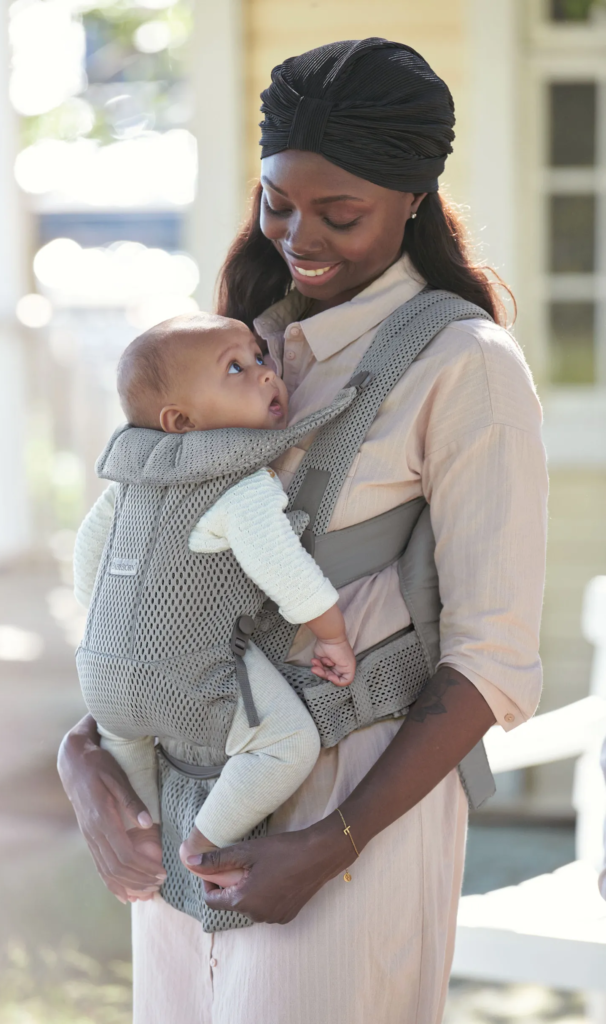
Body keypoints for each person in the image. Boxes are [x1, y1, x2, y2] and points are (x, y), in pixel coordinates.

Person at [58, 38, 547, 1023]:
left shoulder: (464, 365)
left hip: (345, 811)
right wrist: (85, 767)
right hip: (187, 793)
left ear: (411, 198)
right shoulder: (230, 350)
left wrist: (331, 843)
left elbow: (490, 661)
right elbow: (137, 572)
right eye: (276, 202)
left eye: (340, 213)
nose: (298, 236)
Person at [73, 312, 356, 887]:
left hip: (103, 677)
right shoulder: (240, 484)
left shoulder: (133, 480)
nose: (266, 375)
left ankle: (144, 850)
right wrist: (331, 635)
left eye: (259, 357)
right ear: (180, 421)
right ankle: (202, 844)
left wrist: (105, 624)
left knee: (132, 765)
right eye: (236, 368)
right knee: (287, 744)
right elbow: (286, 571)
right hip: (184, 674)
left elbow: (90, 553)